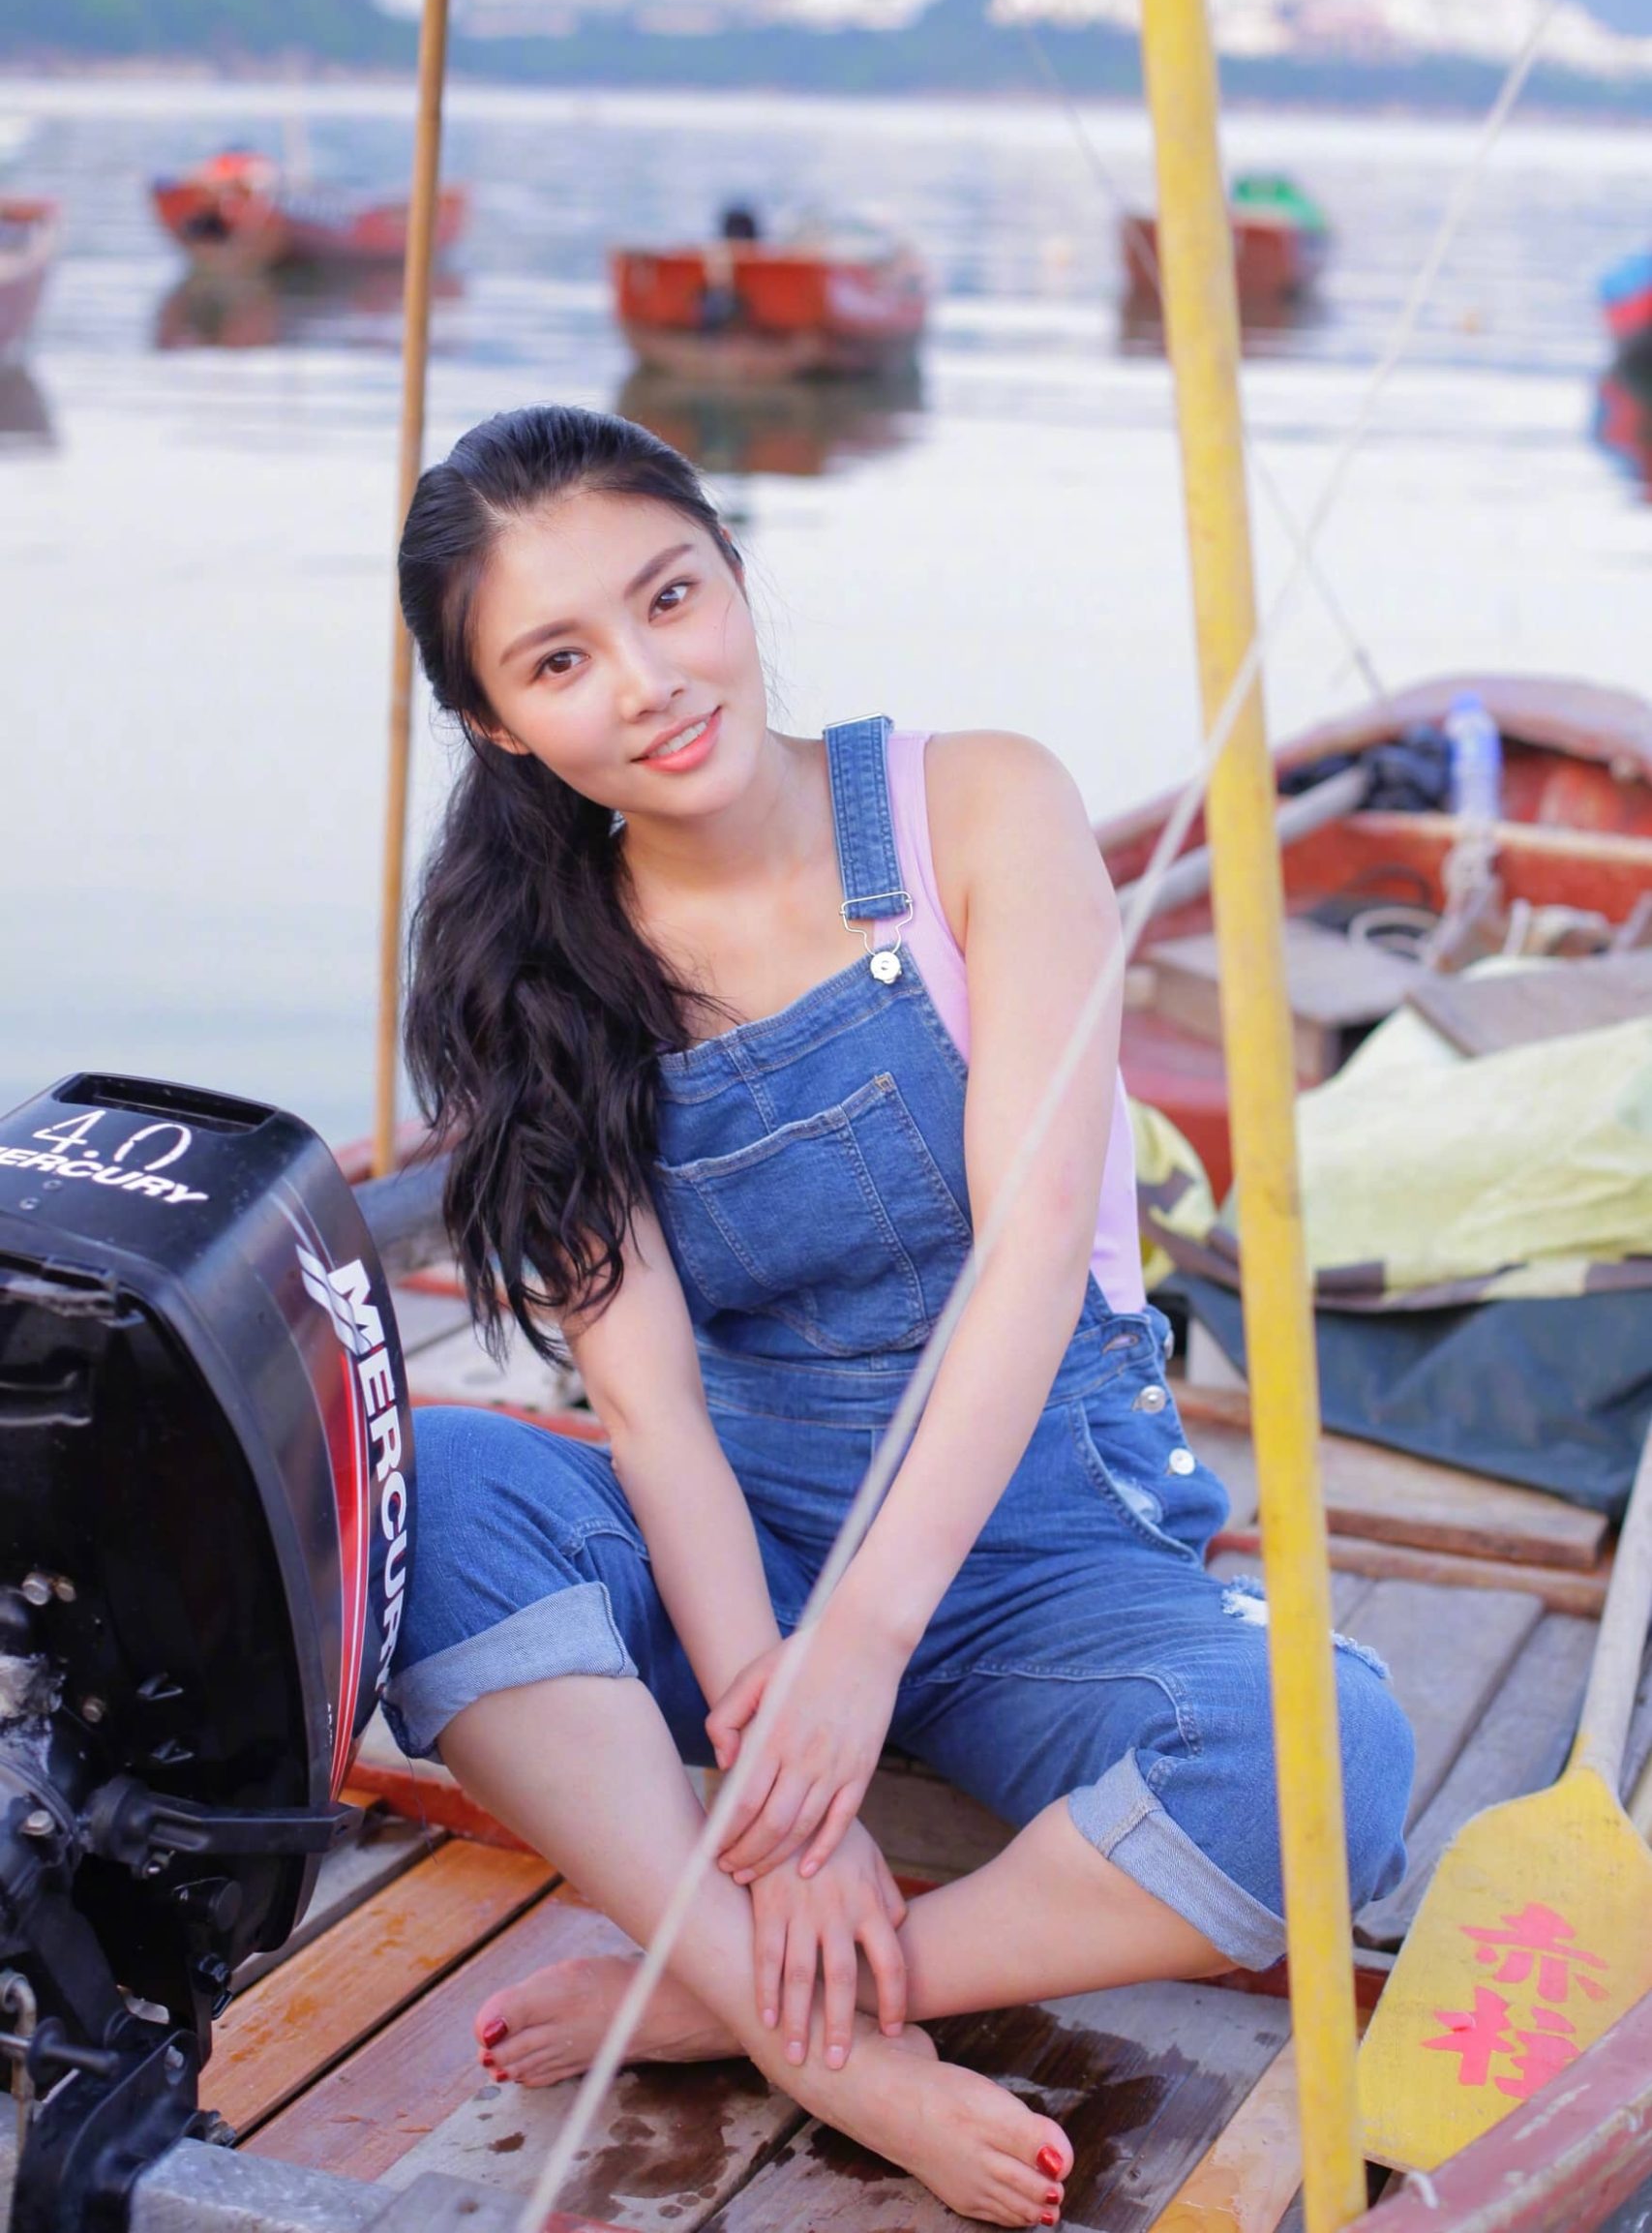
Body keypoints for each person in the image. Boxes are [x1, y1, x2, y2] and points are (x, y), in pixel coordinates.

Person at [385, 403, 1413, 2228]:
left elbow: (1031, 1257)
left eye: (669, 598)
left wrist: (860, 1655)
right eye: (560, 659)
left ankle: (728, 1997)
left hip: (1045, 1555)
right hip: (749, 1551)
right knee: (432, 1491)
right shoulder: (538, 974)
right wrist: (775, 1738)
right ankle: (831, 2046)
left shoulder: (976, 806)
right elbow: (656, 1420)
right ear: (497, 724)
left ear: (733, 572)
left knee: (1329, 1753)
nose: (648, 680)